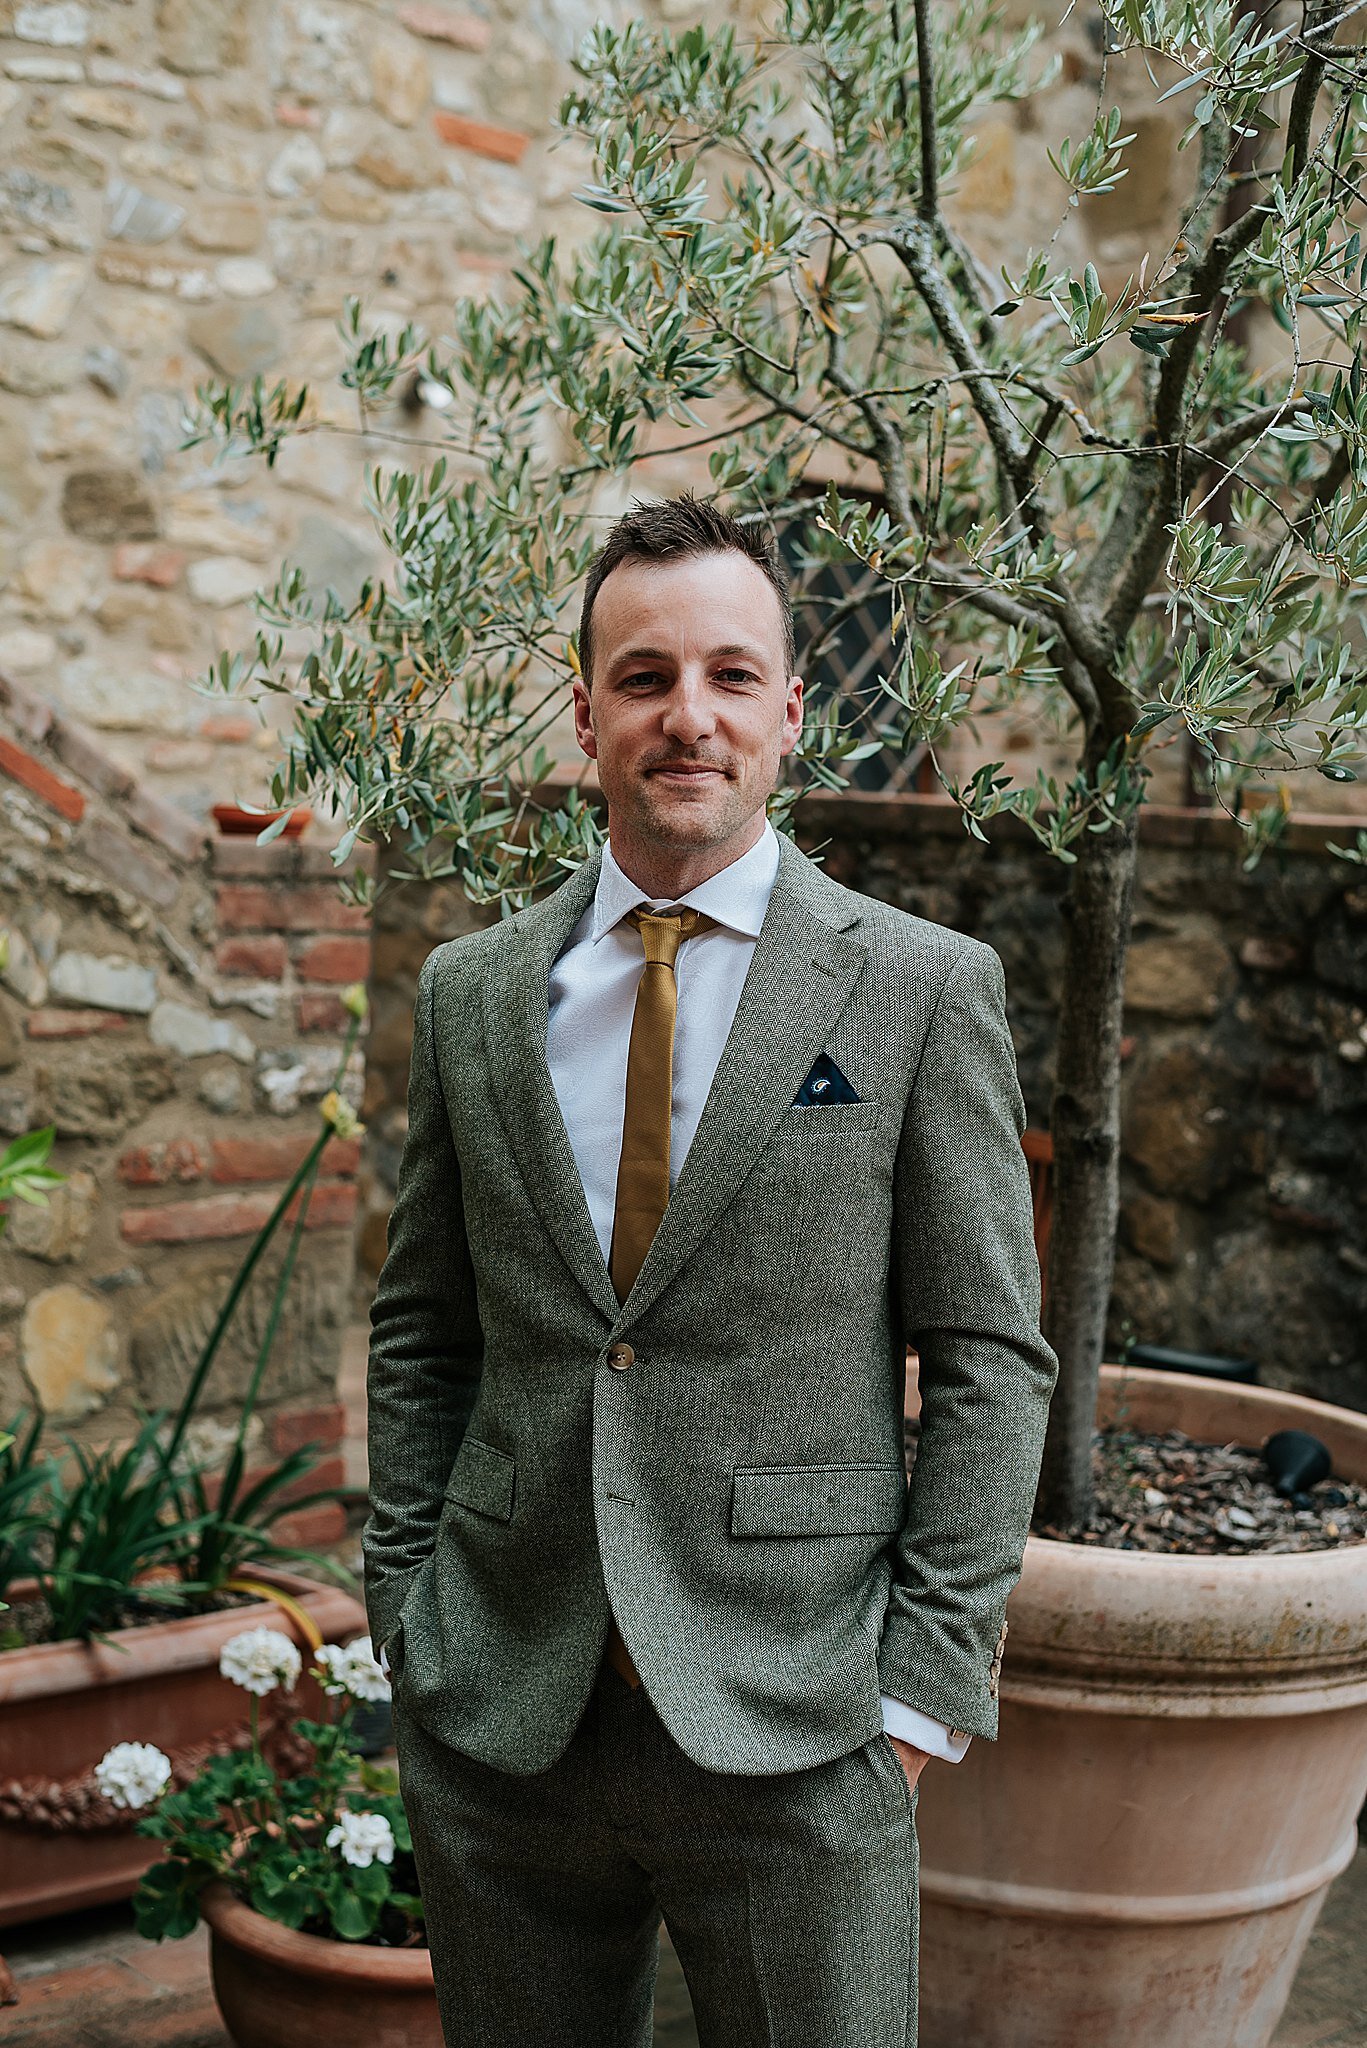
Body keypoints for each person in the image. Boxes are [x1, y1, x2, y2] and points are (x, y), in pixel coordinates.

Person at [363, 493, 1058, 2047]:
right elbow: (424, 1328)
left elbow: (990, 1352)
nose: (691, 717)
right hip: (505, 1707)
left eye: (733, 677)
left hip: (803, 1716)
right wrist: (407, 1610)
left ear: (792, 715)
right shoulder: (476, 995)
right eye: (646, 677)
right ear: (586, 713)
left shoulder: (920, 991)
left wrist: (922, 1689)